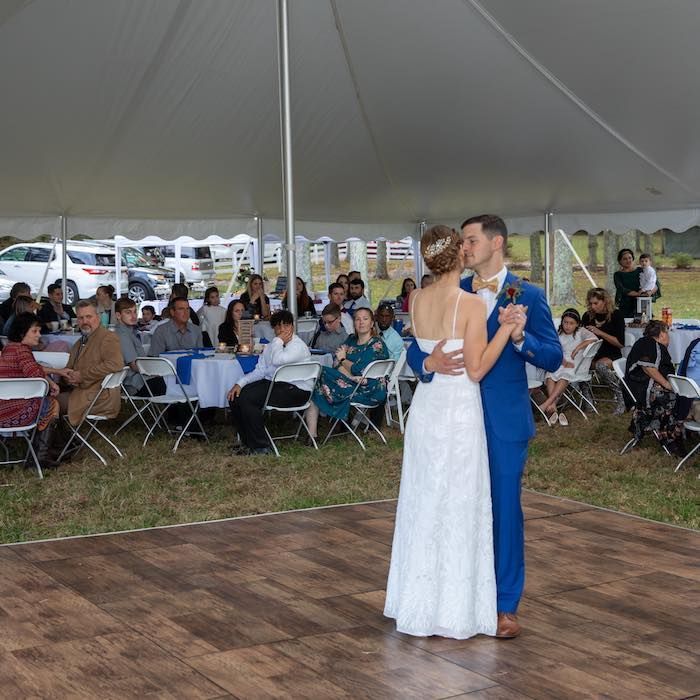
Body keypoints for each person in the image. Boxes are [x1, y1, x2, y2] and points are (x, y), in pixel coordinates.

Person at [403, 215, 562, 638]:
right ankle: (458, 597)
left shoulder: (527, 293)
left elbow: (553, 356)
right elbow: (417, 349)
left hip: (504, 419)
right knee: (456, 506)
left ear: (497, 243)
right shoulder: (455, 292)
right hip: (455, 418)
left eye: (471, 240)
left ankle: (505, 605)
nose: (465, 247)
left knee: (504, 509)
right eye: (463, 241)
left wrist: (519, 339)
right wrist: (428, 364)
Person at [385, 225, 524, 639]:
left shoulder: (416, 299)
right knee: (461, 503)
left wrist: (429, 363)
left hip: (426, 413)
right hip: (460, 412)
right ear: (458, 257)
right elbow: (477, 369)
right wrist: (504, 328)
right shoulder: (470, 304)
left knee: (425, 500)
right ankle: (454, 608)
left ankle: (416, 601)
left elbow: (422, 346)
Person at [227, 310, 311, 455]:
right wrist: (240, 383)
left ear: (292, 327)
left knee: (249, 398)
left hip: (297, 389)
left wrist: (277, 342)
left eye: (286, 325)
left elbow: (279, 360)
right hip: (276, 384)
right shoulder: (272, 345)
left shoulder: (298, 346)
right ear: (274, 329)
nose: (282, 330)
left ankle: (261, 447)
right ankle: (247, 442)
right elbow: (260, 370)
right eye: (278, 327)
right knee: (235, 396)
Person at [304, 307, 389, 441]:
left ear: (372, 323)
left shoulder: (376, 344)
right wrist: (349, 376)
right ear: (353, 323)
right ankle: (312, 434)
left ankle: (317, 432)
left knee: (321, 377)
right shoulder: (350, 340)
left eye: (365, 319)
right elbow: (336, 363)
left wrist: (344, 360)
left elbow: (359, 370)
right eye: (357, 319)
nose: (361, 322)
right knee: (319, 375)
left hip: (369, 390)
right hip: (352, 383)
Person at [0, 313, 61, 469]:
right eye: (34, 331)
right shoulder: (23, 351)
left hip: (2, 409)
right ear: (22, 333)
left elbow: (33, 371)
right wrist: (51, 382)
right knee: (52, 404)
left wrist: (49, 379)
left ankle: (50, 450)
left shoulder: (8, 349)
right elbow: (36, 376)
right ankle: (39, 457)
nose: (39, 335)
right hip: (14, 412)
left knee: (45, 404)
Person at [58, 300, 124, 426]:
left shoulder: (107, 337)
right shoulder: (80, 342)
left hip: (100, 396)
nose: (85, 321)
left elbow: (116, 364)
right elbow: (69, 368)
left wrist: (82, 376)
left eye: (89, 317)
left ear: (98, 318)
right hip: (81, 391)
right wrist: (68, 378)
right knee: (47, 398)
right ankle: (61, 440)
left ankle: (56, 442)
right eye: (81, 318)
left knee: (51, 404)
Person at [624, 320, 685, 455]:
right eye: (667, 333)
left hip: (641, 386)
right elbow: (648, 367)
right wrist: (666, 384)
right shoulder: (649, 344)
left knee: (681, 395)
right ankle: (670, 438)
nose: (668, 337)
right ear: (662, 334)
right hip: (641, 389)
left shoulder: (647, 343)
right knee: (675, 398)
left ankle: (678, 433)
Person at [539, 308, 597, 426]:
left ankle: (548, 403)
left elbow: (594, 338)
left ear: (577, 324)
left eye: (571, 323)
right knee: (550, 375)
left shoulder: (581, 331)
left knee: (564, 375)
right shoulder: (558, 332)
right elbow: (553, 347)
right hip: (562, 360)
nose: (567, 326)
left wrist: (578, 347)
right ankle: (553, 406)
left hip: (575, 363)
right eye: (565, 322)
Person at [581, 287, 626, 415]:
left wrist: (600, 332)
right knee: (580, 365)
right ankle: (587, 398)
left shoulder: (616, 315)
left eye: (596, 303)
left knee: (601, 366)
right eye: (590, 303)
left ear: (605, 301)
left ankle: (621, 397)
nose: (592, 306)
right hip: (591, 353)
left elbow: (620, 343)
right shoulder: (587, 316)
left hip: (611, 353)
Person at [114, 298, 165, 397]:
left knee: (173, 381)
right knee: (173, 383)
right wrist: (154, 372)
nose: (133, 316)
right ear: (118, 315)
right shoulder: (122, 335)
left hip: (141, 379)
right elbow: (134, 365)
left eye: (134, 312)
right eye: (128, 312)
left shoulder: (130, 331)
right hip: (135, 383)